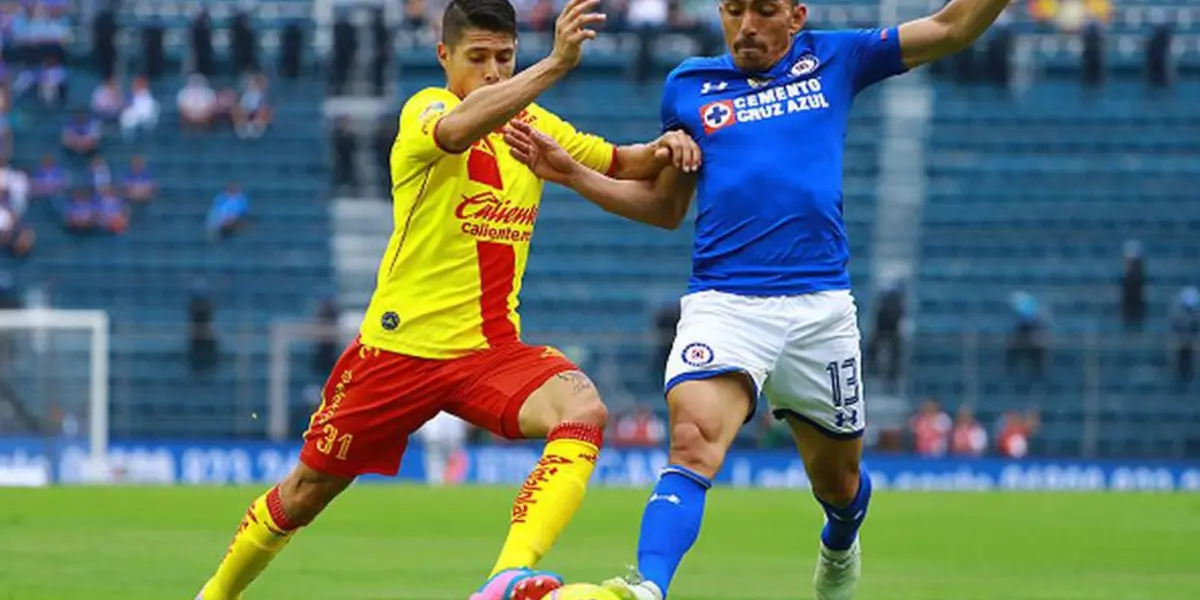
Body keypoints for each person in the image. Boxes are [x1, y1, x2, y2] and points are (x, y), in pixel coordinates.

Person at [503, 0, 1014, 598]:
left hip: (819, 309)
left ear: (795, 16)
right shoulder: (688, 87)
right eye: (733, 10)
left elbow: (953, 26)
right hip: (725, 302)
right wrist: (572, 175)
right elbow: (666, 208)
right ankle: (648, 588)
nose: (746, 25)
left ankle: (841, 536)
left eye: (764, 11)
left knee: (839, 482)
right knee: (692, 442)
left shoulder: (836, 58)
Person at [193, 0, 695, 599]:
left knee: (582, 410)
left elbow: (629, 164)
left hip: (489, 352)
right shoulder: (425, 109)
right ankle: (215, 594)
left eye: (504, 58)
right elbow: (458, 131)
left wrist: (678, 145)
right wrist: (556, 64)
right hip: (400, 350)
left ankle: (505, 576)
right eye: (477, 58)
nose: (492, 72)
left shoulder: (532, 124)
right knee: (306, 491)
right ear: (444, 57)